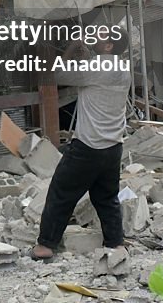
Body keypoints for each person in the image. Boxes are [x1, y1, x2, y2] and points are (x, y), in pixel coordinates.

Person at [30, 30, 131, 261]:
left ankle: (45, 245)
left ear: (108, 46)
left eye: (102, 35)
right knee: (106, 198)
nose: (95, 36)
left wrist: (72, 49)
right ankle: (116, 243)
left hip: (88, 145)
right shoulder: (122, 69)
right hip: (113, 146)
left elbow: (57, 75)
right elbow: (91, 78)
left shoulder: (97, 68)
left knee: (61, 192)